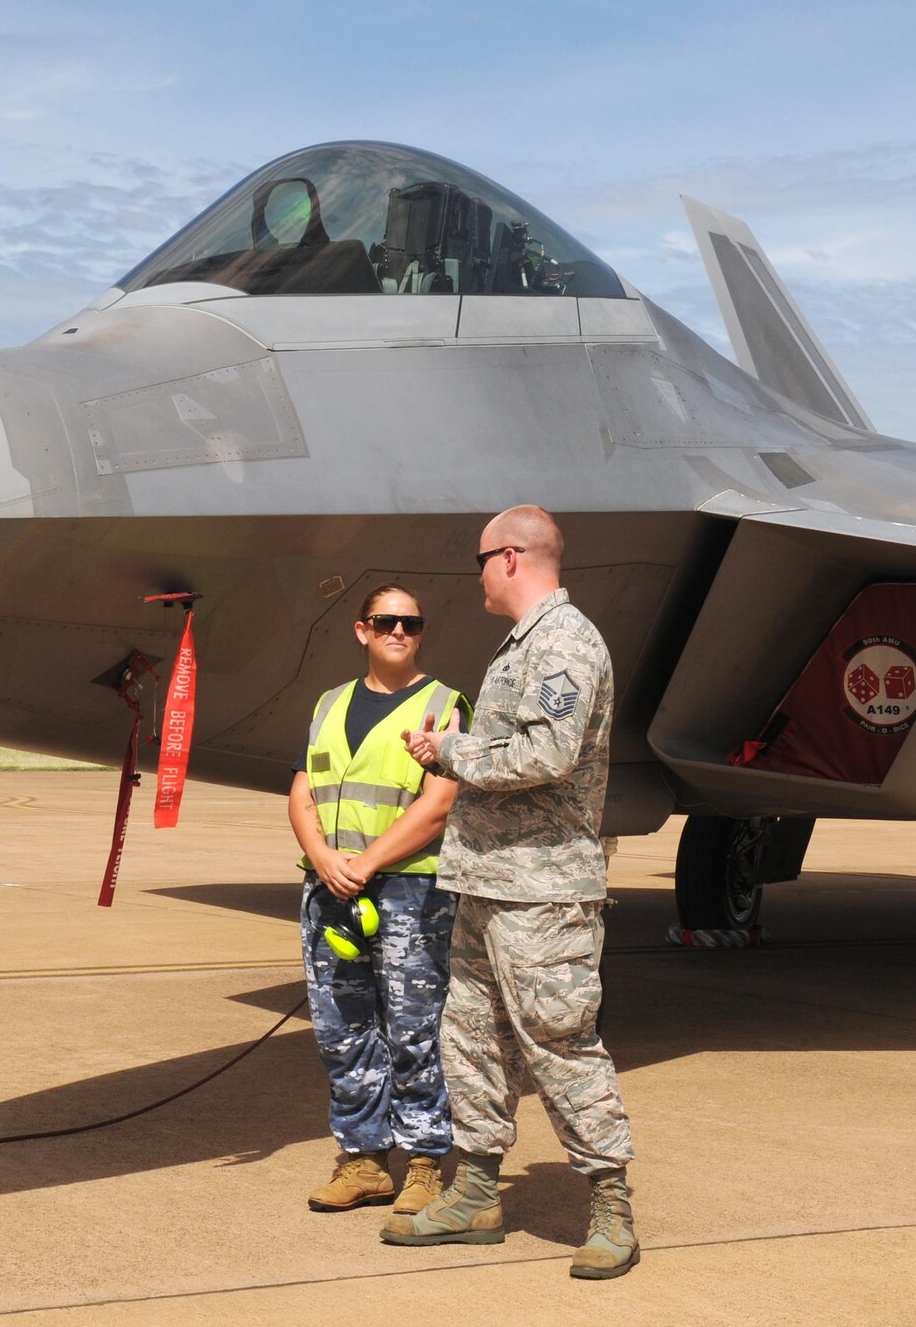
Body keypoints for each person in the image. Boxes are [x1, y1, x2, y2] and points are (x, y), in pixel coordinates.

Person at [381, 505, 639, 1280]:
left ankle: (611, 1205)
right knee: (472, 1038)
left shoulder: (564, 642)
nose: (478, 574)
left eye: (482, 559)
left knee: (558, 1039)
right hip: (490, 880)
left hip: (542, 891)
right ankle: (477, 1192)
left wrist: (450, 750)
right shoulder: (522, 646)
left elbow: (548, 751)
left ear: (513, 557)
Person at [287, 584, 473, 1216]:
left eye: (412, 623)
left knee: (415, 1028)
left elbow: (439, 804)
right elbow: (301, 790)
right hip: (332, 889)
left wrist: (363, 864)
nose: (400, 631)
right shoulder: (329, 703)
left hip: (408, 892)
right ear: (361, 630)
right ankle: (364, 1161)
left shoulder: (443, 705)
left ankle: (424, 1164)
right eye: (387, 622)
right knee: (343, 1030)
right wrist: (322, 860)